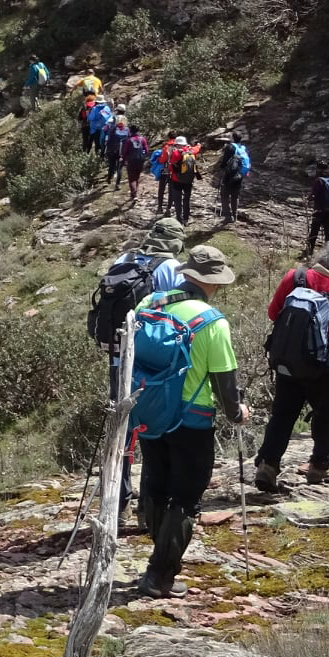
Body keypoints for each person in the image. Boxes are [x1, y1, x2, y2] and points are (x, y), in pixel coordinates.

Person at [128, 245, 245, 598]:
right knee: (186, 496)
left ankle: (157, 556)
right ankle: (160, 575)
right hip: (191, 422)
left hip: (149, 411)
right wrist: (237, 413)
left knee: (156, 483)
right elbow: (226, 384)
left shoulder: (149, 304)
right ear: (212, 283)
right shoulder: (211, 322)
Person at [254, 240, 329, 490]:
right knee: (325, 418)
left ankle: (268, 465)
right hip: (322, 369)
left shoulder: (294, 277)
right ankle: (319, 468)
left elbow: (274, 313)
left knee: (282, 415)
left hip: (287, 362)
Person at [214, 131, 252, 223]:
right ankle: (234, 216)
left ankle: (228, 217)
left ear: (232, 138)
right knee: (235, 196)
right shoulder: (243, 148)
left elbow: (224, 162)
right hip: (239, 175)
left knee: (224, 195)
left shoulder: (230, 147)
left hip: (229, 175)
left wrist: (221, 168)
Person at [306, 161, 329, 255]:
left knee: (314, 230)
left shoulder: (319, 180)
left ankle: (309, 251)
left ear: (318, 169)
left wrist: (308, 199)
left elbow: (314, 194)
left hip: (320, 209)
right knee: (328, 229)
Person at [164, 136, 198, 224]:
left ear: (178, 144)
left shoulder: (175, 153)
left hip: (176, 180)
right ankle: (186, 218)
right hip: (189, 180)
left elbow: (171, 168)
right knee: (187, 199)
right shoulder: (192, 151)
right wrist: (198, 145)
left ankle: (179, 218)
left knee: (177, 199)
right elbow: (197, 148)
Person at [123, 124, 152, 204]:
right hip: (140, 160)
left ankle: (134, 194)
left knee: (132, 178)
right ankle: (135, 192)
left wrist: (124, 160)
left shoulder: (129, 140)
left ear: (130, 131)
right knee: (136, 177)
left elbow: (125, 152)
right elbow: (146, 150)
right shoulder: (142, 139)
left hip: (131, 160)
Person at [103, 115, 129, 190]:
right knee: (119, 168)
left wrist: (106, 149)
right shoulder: (127, 130)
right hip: (122, 152)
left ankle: (109, 178)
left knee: (111, 165)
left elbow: (108, 140)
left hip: (112, 150)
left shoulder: (113, 129)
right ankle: (117, 184)